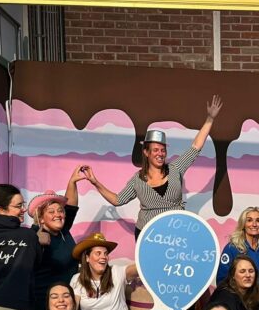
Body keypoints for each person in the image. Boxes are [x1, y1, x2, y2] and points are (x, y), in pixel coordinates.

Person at [83, 95, 223, 239]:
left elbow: (195, 147)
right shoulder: (137, 180)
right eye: (155, 150)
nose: (160, 154)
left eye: (163, 150)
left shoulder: (175, 169)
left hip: (174, 235)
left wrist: (210, 118)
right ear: (146, 152)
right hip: (148, 236)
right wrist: (95, 182)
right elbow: (118, 200)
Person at [25, 165, 87, 310]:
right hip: (43, 305)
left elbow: (71, 206)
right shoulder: (34, 236)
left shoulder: (63, 231)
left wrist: (72, 181)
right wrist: (35, 241)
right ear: (41, 218)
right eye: (51, 212)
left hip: (65, 302)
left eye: (60, 210)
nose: (58, 215)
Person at [216, 206, 259, 310]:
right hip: (238, 304)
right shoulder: (232, 248)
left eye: (258, 220)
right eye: (249, 220)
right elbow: (222, 280)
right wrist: (236, 300)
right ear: (243, 224)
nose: (254, 224)